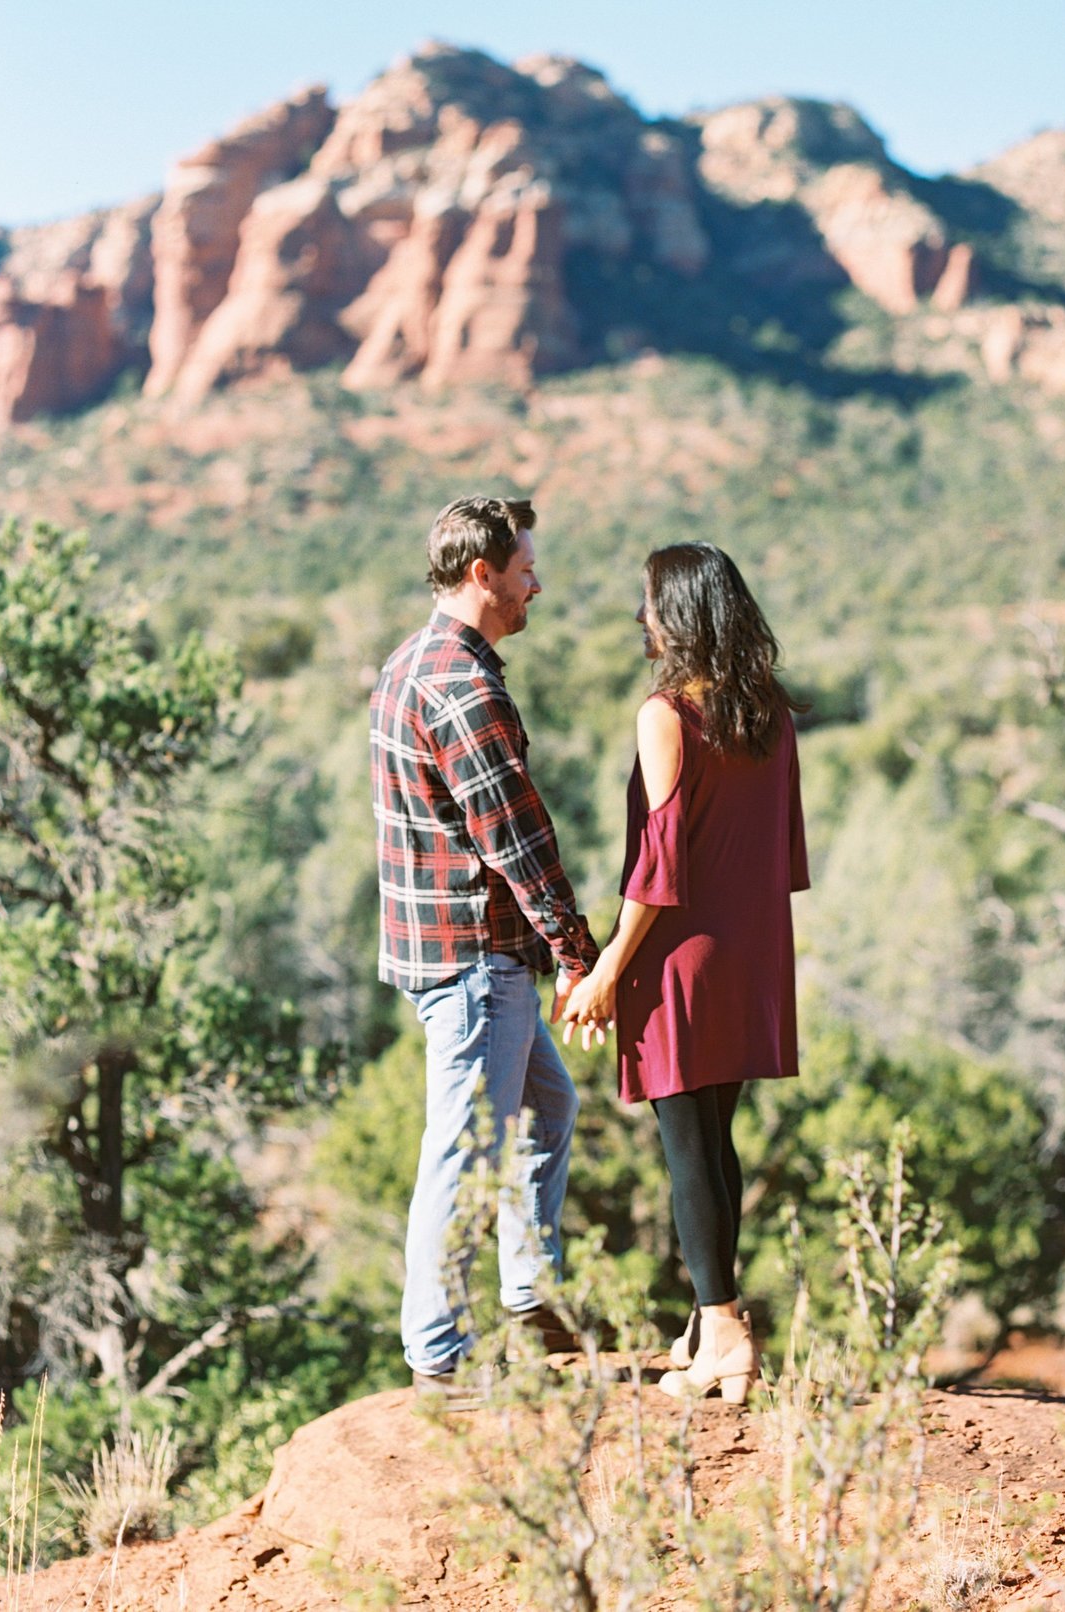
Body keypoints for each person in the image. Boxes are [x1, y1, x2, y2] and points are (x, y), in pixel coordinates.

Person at [563, 542, 809, 1402]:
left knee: (686, 1150)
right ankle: (709, 1325)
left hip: (680, 957)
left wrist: (603, 973)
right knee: (714, 1142)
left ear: (683, 614)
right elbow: (784, 853)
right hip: (754, 953)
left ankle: (728, 1334)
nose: (642, 618)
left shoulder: (666, 715)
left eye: (651, 603)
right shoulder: (772, 715)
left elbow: (657, 868)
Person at [370, 495, 599, 1405]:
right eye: (526, 570)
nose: (536, 583)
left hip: (449, 952)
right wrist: (577, 950)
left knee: (549, 1106)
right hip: (475, 958)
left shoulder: (410, 662)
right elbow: (515, 837)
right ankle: (438, 1353)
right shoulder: (464, 687)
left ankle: (530, 1301)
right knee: (462, 1152)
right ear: (483, 575)